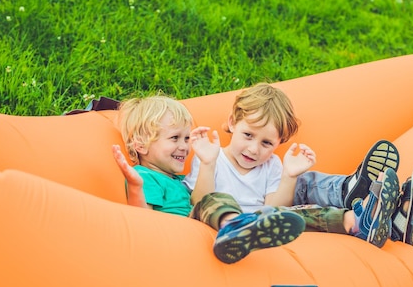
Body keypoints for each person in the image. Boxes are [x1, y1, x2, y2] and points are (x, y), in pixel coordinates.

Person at [181, 83, 413, 251]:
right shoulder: (211, 156)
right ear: (233, 123)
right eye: (248, 135)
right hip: (226, 224)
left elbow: (274, 209)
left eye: (266, 143)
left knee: (305, 209)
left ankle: (368, 220)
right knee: (220, 200)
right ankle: (359, 196)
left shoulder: (271, 164)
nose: (254, 149)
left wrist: (288, 175)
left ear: (279, 143)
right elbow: (200, 201)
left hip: (262, 223)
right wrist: (208, 163)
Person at [111, 95, 307, 264]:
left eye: (187, 139)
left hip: (200, 229)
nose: (184, 147)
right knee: (213, 198)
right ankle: (238, 225)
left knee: (304, 207)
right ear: (142, 146)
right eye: (175, 138)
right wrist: (136, 187)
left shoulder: (176, 180)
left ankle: (335, 218)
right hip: (181, 234)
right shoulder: (145, 176)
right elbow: (142, 222)